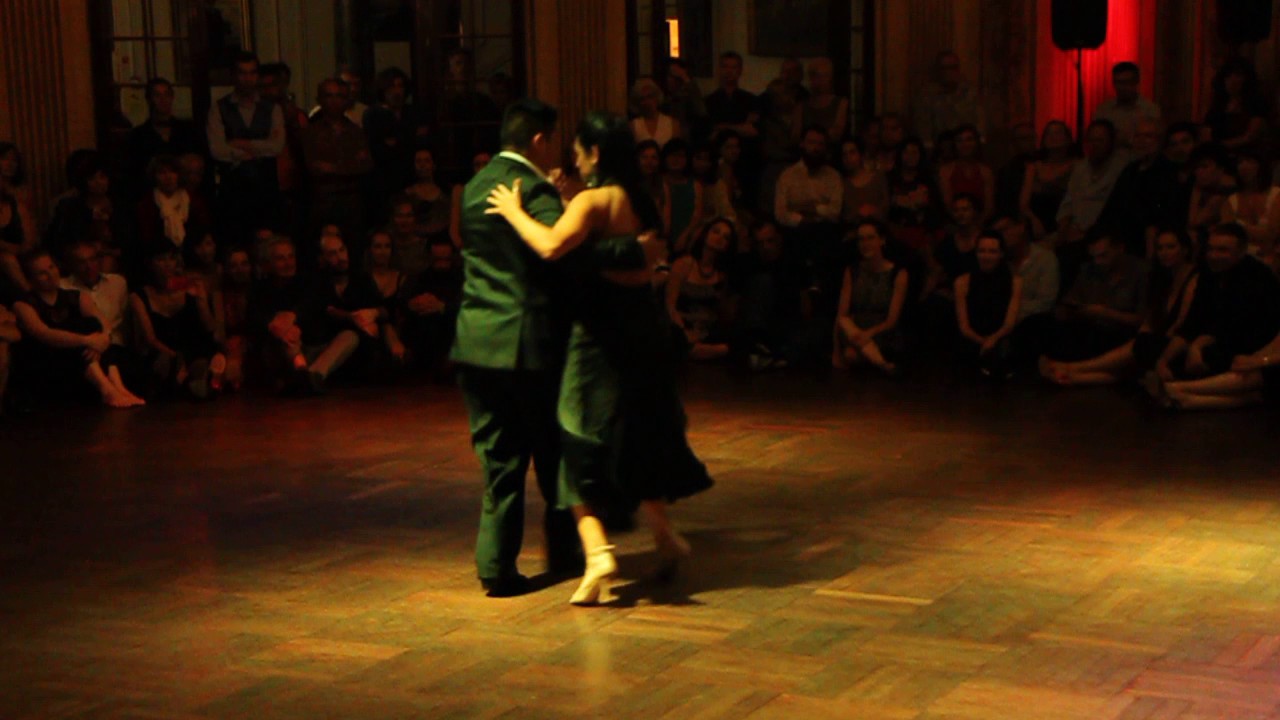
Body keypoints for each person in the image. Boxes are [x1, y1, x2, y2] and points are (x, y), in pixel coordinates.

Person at [484, 109, 711, 605]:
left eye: (579, 153)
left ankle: (597, 550)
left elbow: (551, 246)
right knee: (636, 435)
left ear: (596, 152)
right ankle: (664, 535)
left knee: (575, 438)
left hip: (599, 338)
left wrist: (514, 210)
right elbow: (635, 256)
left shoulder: (592, 201)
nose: (575, 161)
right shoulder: (640, 199)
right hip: (642, 331)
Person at [450, 99, 652, 598]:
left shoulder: (475, 186)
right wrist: (630, 253)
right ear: (538, 140)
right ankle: (569, 552)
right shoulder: (531, 189)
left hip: (476, 341)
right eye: (552, 140)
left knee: (498, 457)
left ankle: (496, 567)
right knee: (555, 449)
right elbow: (565, 252)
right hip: (529, 343)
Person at [1043, 228, 1198, 386]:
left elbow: (1182, 324)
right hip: (1133, 335)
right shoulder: (1163, 278)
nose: (1164, 252)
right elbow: (1150, 318)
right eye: (1160, 248)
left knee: (1139, 348)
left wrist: (1105, 313)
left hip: (1173, 340)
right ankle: (1073, 377)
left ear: (1185, 249)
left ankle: (1072, 369)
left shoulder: (1155, 273)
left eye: (1170, 247)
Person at [12, 250, 145, 408]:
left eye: (51, 267)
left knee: (92, 325)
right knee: (79, 332)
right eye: (42, 273)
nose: (50, 275)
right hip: (48, 359)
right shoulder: (23, 304)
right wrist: (87, 341)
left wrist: (101, 340)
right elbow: (44, 334)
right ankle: (107, 389)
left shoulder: (77, 297)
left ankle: (117, 385)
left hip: (81, 358)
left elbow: (103, 323)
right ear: (31, 279)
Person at [130, 243, 225, 398]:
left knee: (202, 363)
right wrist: (177, 358)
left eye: (171, 259)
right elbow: (150, 339)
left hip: (192, 349)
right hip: (164, 351)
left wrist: (201, 301)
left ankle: (195, 383)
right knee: (163, 364)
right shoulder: (139, 295)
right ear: (150, 263)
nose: (168, 264)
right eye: (161, 260)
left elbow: (209, 328)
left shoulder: (188, 287)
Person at [208, 51, 285, 243]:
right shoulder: (219, 108)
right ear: (233, 76)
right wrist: (258, 150)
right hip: (233, 192)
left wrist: (241, 145)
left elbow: (276, 147)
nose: (248, 79)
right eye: (242, 73)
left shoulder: (272, 108)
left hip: (265, 191)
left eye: (252, 73)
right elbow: (217, 149)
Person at [1047, 230, 1147, 361]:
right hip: (1087, 328)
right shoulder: (1089, 269)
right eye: (1094, 257)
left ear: (1120, 248)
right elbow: (1072, 298)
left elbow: (1143, 320)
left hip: (1121, 334)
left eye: (1103, 255)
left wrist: (1105, 313)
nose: (1097, 262)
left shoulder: (1140, 272)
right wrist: (1066, 310)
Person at [303, 78, 373, 260]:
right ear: (319, 99)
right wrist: (349, 164)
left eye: (340, 96)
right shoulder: (310, 132)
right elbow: (314, 167)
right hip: (321, 201)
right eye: (329, 96)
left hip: (352, 202)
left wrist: (332, 167)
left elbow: (365, 165)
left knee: (354, 250)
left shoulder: (356, 131)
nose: (334, 101)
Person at [1096, 117, 1181, 257]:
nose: (1141, 141)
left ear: (1160, 141)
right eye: (1137, 136)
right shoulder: (1130, 170)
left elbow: (1160, 213)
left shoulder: (1168, 171)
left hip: (1146, 238)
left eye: (1148, 136)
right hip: (1119, 235)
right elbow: (1112, 206)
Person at [833, 219, 909, 375]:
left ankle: (878, 360)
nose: (865, 243)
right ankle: (882, 364)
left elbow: (892, 319)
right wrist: (835, 351)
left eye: (870, 238)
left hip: (882, 330)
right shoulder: (852, 270)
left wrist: (868, 334)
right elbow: (842, 314)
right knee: (845, 325)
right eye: (861, 239)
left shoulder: (898, 273)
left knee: (851, 355)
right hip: (855, 329)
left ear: (881, 240)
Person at [122, 78, 206, 203]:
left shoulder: (188, 132)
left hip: (186, 198)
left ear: (172, 98)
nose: (163, 100)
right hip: (150, 199)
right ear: (149, 99)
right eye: (157, 95)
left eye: (167, 94)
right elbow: (134, 174)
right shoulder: (138, 136)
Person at [666, 218, 737, 361]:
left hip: (707, 330)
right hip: (682, 326)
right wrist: (684, 330)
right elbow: (670, 305)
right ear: (705, 234)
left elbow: (721, 313)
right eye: (715, 231)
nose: (719, 238)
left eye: (726, 237)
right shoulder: (684, 264)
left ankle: (707, 351)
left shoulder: (721, 275)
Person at [954, 231, 1022, 378]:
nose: (986, 256)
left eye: (992, 252)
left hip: (1000, 336)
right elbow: (964, 326)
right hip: (972, 337)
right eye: (982, 251)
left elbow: (1009, 323)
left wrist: (993, 339)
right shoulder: (962, 282)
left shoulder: (1015, 282)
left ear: (1001, 254)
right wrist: (983, 342)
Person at [136, 155, 212, 253]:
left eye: (173, 172)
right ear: (154, 177)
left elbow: (203, 229)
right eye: (162, 173)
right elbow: (147, 237)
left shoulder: (193, 200)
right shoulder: (147, 204)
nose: (168, 177)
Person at [913, 50, 985, 147]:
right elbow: (924, 132)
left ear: (958, 69)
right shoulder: (926, 96)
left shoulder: (970, 94)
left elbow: (980, 126)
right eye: (944, 68)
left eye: (953, 68)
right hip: (940, 150)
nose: (949, 72)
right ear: (938, 71)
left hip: (967, 148)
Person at [1019, 121, 1076, 239]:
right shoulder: (1034, 167)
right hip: (1037, 222)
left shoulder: (1077, 166)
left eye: (1057, 132)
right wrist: (1034, 220)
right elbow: (1024, 204)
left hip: (1065, 223)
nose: (1052, 137)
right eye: (1048, 133)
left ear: (1067, 139)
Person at [1220, 149, 1278, 264]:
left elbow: (1273, 234)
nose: (1244, 166)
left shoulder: (1276, 195)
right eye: (1240, 162)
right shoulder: (1231, 200)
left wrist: (1240, 228)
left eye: (1250, 161)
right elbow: (1228, 234)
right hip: (1239, 258)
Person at [1201, 58, 1269, 155]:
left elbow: (1250, 137)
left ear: (1246, 79)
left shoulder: (1256, 104)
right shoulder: (1217, 107)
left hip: (1247, 155)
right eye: (1228, 76)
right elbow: (1206, 134)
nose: (1232, 80)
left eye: (1238, 75)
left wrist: (1219, 146)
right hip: (1219, 156)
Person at [1092, 62, 1161, 150]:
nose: (1122, 87)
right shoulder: (1104, 110)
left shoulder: (1149, 110)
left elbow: (1155, 141)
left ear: (1136, 82)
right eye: (1118, 82)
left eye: (1126, 82)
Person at [939, 124, 994, 224]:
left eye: (969, 140)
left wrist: (977, 225)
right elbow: (947, 205)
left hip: (980, 224)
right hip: (954, 223)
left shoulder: (985, 172)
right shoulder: (946, 171)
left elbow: (989, 207)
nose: (965, 144)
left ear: (976, 143)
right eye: (960, 140)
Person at [662, 139, 702, 256]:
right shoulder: (658, 182)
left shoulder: (695, 185)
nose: (676, 159)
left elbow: (697, 215)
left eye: (680, 156)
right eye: (672, 155)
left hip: (689, 237)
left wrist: (686, 235)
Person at [801, 58, 848, 154]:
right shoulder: (802, 105)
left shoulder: (841, 103)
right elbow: (796, 135)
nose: (820, 80)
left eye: (825, 76)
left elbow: (836, 133)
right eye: (816, 76)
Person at [406, 148, 452, 243]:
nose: (422, 165)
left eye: (427, 161)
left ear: (434, 165)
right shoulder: (407, 194)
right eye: (418, 161)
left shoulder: (446, 194)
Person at [840, 137, 889, 223]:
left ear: (861, 154)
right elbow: (846, 215)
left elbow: (886, 206)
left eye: (852, 152)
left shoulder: (878, 177)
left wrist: (873, 211)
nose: (848, 157)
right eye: (844, 154)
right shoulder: (842, 184)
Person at [630, 77, 680, 148]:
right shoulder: (634, 126)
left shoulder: (672, 124)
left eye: (650, 97)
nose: (647, 102)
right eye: (642, 99)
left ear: (657, 97)